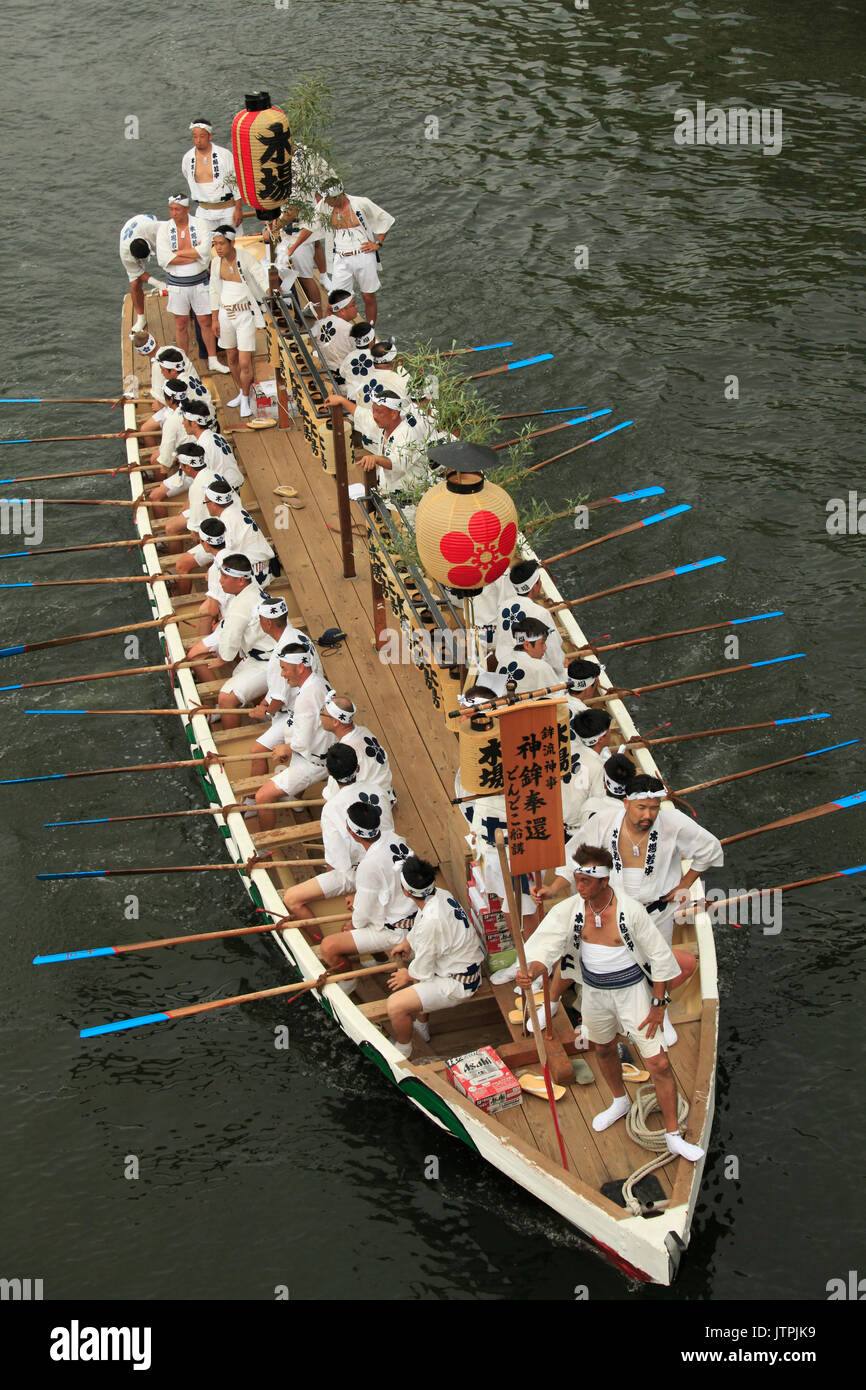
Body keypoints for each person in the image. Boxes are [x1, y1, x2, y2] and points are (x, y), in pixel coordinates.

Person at [516, 844, 705, 1162]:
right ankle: (620, 1101)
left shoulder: (630, 911)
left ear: (604, 881)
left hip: (633, 993)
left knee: (658, 1062)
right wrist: (532, 971)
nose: (579, 887)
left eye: (586, 882)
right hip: (594, 992)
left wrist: (658, 1006)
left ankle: (673, 1135)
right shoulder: (571, 911)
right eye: (577, 880)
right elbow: (545, 947)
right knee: (602, 1048)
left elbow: (660, 958)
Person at [581, 773, 724, 948]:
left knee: (658, 968)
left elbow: (710, 848)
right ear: (626, 804)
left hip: (658, 916)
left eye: (654, 808)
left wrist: (685, 883)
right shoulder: (605, 821)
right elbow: (574, 857)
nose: (648, 815)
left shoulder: (673, 822)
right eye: (641, 807)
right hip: (613, 913)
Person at [385, 857, 485, 1058]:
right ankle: (421, 1025)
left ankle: (404, 1048)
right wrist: (408, 942)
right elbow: (421, 926)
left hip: (459, 982)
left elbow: (422, 970)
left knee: (395, 1006)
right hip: (461, 966)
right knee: (416, 962)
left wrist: (406, 974)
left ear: (406, 891)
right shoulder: (440, 893)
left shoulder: (432, 922)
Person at [280, 749, 394, 922]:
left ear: (329, 773)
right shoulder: (377, 790)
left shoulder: (331, 809)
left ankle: (327, 929)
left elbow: (337, 863)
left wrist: (351, 890)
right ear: (358, 767)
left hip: (359, 872)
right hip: (389, 857)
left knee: (291, 899)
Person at [318, 807, 416, 992]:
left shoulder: (368, 865)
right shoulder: (395, 838)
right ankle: (382, 960)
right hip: (414, 914)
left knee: (329, 947)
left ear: (351, 831)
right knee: (359, 918)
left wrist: (354, 924)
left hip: (399, 932)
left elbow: (362, 913)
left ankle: (348, 981)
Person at [254, 642, 333, 828]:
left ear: (299, 667)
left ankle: (265, 850)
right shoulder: (320, 682)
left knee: (262, 796)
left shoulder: (306, 697)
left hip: (314, 761)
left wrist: (286, 748)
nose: (282, 674)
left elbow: (302, 742)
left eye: (284, 669)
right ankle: (295, 800)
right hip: (323, 749)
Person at [184, 554, 269, 726]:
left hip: (267, 660)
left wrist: (223, 657)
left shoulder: (240, 605)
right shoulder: (253, 589)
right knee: (239, 674)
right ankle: (266, 715)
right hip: (261, 654)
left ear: (240, 581)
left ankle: (229, 737)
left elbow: (231, 637)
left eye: (225, 577)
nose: (221, 581)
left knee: (226, 699)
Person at [156, 194, 227, 370]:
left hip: (199, 281)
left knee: (205, 321)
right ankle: (183, 362)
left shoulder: (200, 224)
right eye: (171, 209)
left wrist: (178, 253)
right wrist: (192, 254)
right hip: (176, 284)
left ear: (187, 209)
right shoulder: (164, 229)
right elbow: (164, 258)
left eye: (177, 209)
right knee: (180, 323)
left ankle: (212, 358)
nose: (173, 213)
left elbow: (204, 251)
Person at [324, 388, 430, 499]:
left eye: (379, 412)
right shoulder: (386, 423)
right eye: (373, 410)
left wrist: (376, 459)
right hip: (386, 491)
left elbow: (398, 462)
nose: (374, 416)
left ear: (394, 414)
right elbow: (364, 417)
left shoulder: (409, 434)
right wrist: (342, 400)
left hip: (407, 499)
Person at [208, 225, 270, 416]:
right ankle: (242, 391)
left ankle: (245, 398)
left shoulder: (245, 258)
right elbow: (213, 290)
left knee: (244, 361)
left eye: (221, 244)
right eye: (215, 244)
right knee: (231, 357)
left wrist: (270, 293)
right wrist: (214, 319)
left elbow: (261, 277)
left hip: (244, 314)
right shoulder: (216, 264)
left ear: (232, 243)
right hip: (225, 314)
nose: (218, 248)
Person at [318, 179, 394, 325]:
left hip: (363, 255)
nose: (325, 202)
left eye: (327, 199)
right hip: (341, 256)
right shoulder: (325, 207)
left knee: (368, 296)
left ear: (336, 197)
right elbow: (310, 223)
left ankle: (370, 330)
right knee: (334, 301)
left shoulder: (361, 202)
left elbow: (385, 219)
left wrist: (377, 243)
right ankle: (327, 332)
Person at [494, 560, 566, 676]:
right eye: (539, 581)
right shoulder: (541, 613)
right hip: (533, 671)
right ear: (535, 586)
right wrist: (561, 667)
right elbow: (553, 651)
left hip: (505, 665)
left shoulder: (503, 606)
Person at [319, 694, 394, 803]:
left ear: (336, 721)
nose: (320, 715)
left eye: (323, 713)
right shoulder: (364, 730)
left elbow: (330, 798)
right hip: (385, 792)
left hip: (371, 805)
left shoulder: (344, 753)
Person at [181, 119, 243, 229]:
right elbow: (187, 176)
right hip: (203, 211)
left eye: (202, 136)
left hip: (227, 209)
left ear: (210, 136)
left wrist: (238, 209)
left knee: (233, 243)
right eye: (195, 136)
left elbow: (235, 183)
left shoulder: (224, 155)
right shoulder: (187, 158)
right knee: (205, 244)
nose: (198, 140)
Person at [119, 214, 164, 331]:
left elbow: (173, 227)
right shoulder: (125, 254)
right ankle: (141, 318)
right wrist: (158, 284)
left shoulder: (153, 228)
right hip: (131, 229)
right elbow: (137, 273)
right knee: (135, 284)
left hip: (144, 221)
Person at [496, 616, 560, 695]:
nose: (545, 647)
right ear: (527, 645)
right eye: (542, 643)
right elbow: (559, 697)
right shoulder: (540, 667)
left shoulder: (502, 661)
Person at [309, 288, 358, 380]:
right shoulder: (349, 329)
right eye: (353, 305)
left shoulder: (321, 324)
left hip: (327, 375)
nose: (356, 307)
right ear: (342, 310)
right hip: (346, 381)